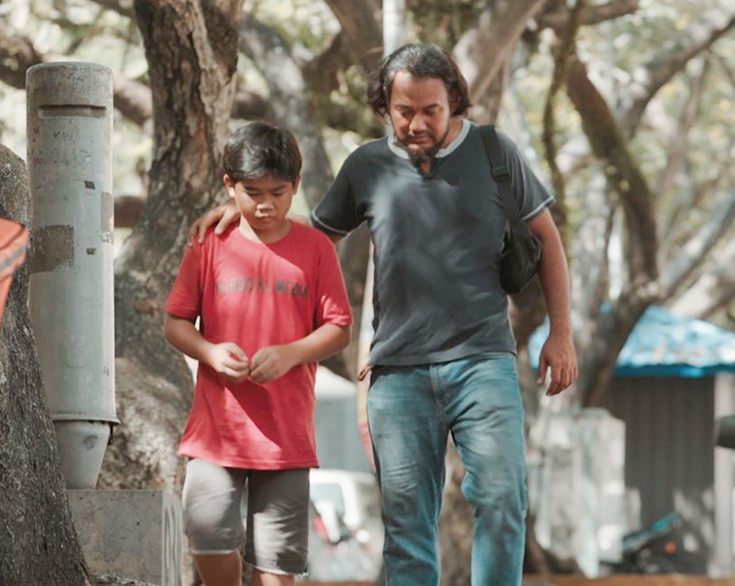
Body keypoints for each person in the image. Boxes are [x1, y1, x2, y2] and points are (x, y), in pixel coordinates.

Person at [192, 44, 578, 585]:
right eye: (404, 111)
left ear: (455, 103)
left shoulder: (495, 153)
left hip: (483, 362)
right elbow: (309, 237)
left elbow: (548, 241)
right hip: (397, 374)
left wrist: (561, 334)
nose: (417, 123)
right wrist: (249, 206)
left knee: (501, 496)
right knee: (406, 525)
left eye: (430, 111)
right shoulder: (367, 165)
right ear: (385, 106)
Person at [163, 122, 353, 586]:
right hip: (215, 432)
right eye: (251, 191)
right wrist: (208, 351)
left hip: (285, 438)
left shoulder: (315, 249)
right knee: (206, 534)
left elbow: (339, 328)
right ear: (229, 186)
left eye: (278, 191)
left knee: (278, 566)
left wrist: (291, 353)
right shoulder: (209, 244)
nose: (265, 204)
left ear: (297, 186)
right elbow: (175, 323)